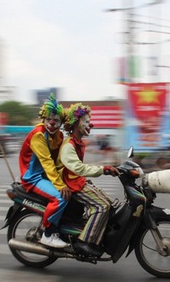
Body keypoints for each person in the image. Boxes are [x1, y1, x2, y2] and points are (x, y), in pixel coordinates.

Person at [60, 103, 119, 257]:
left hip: (79, 181)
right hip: (72, 185)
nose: (89, 124)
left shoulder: (78, 142)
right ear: (75, 122)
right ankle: (84, 242)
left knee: (110, 204)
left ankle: (96, 237)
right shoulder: (68, 145)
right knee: (102, 206)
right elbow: (78, 168)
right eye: (85, 121)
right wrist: (103, 169)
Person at [19, 94, 71, 248]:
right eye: (49, 120)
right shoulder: (38, 135)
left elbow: (60, 161)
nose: (52, 123)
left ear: (62, 123)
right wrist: (61, 186)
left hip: (45, 176)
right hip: (33, 178)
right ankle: (48, 234)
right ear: (43, 119)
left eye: (56, 121)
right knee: (60, 198)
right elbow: (48, 163)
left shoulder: (59, 136)